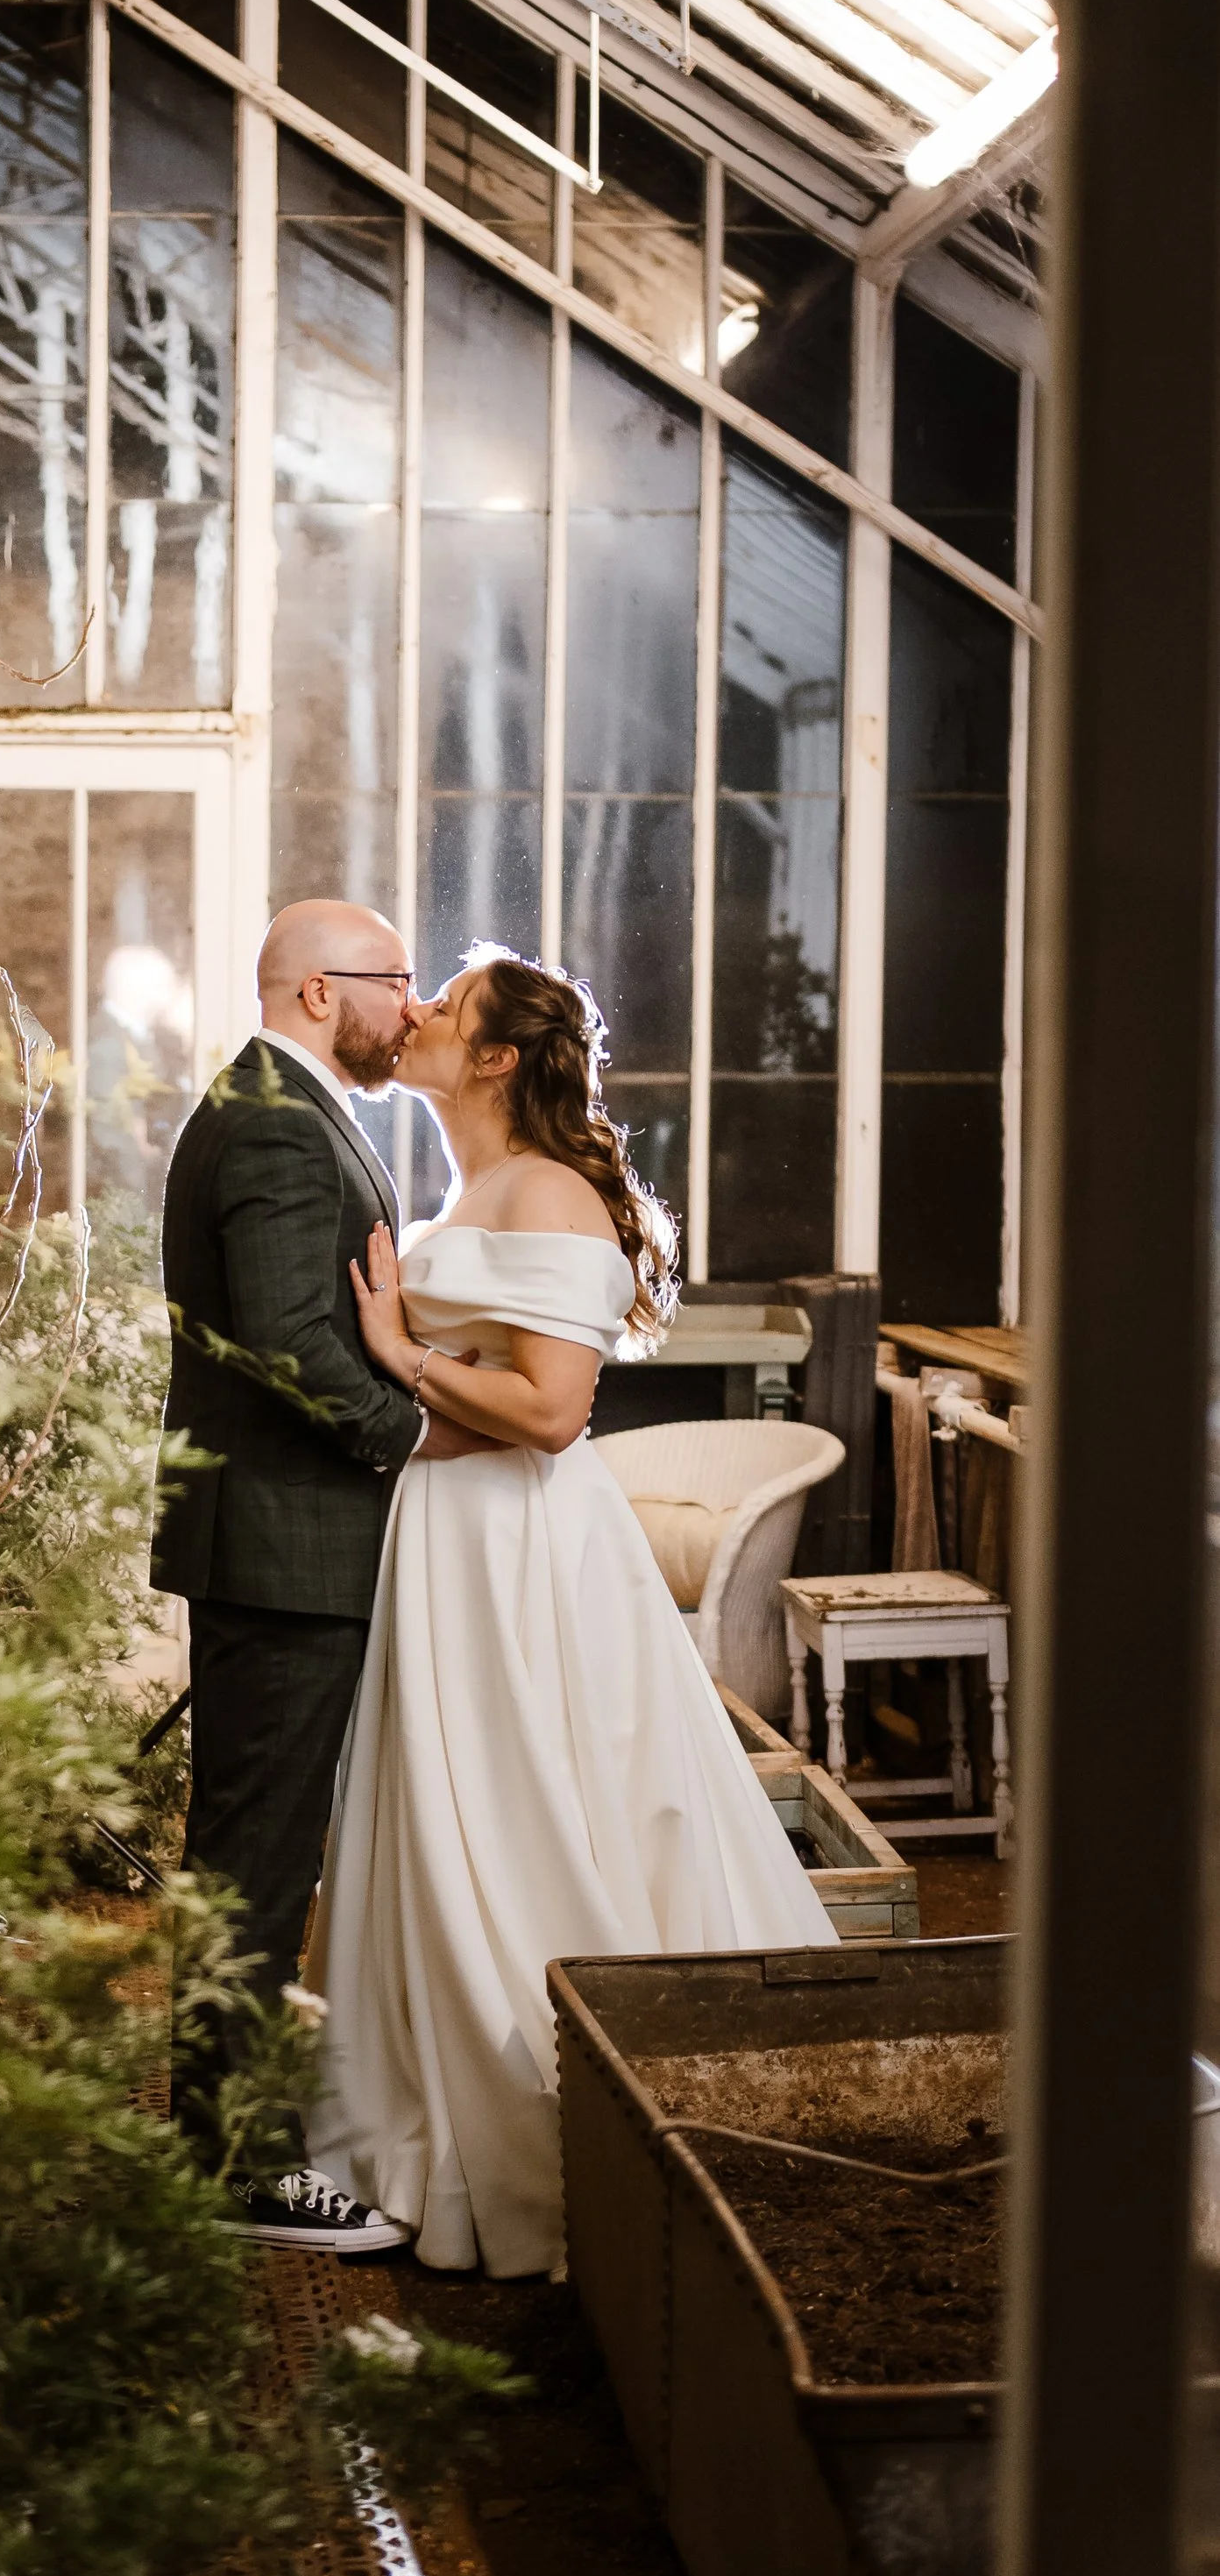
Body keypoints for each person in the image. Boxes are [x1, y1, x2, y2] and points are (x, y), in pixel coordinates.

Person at [309, 944, 836, 2276]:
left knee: (534, 1802)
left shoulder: (546, 1194)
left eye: (447, 1006)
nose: (416, 1010)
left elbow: (551, 1413)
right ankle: (438, 2094)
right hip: (442, 1537)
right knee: (450, 1814)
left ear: (493, 1057)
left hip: (516, 1549)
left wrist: (401, 1352)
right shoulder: (472, 1183)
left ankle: (569, 2125)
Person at [151, 900, 427, 2253]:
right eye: (398, 980)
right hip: (282, 1543)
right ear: (322, 989)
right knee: (257, 1857)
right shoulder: (271, 1115)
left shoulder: (286, 1102)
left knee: (258, 1849)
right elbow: (283, 1341)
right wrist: (410, 1432)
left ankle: (223, 2119)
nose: (414, 1004)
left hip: (284, 1538)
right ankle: (239, 2164)